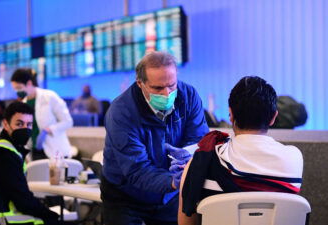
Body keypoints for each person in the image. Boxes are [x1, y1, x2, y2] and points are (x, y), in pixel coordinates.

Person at [101, 51, 209, 225]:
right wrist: (173, 181)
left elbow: (199, 140)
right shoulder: (121, 112)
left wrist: (187, 158)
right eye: (158, 88)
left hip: (170, 196)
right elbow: (137, 170)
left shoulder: (188, 96)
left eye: (172, 85)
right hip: (125, 196)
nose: (167, 94)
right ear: (140, 83)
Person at [178, 76, 304, 225]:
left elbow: (186, 222)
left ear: (230, 114)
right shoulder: (293, 157)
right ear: (273, 117)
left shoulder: (202, 160)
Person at [0, 101, 66, 225]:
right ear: (6, 124)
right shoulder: (5, 154)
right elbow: (23, 201)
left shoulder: (0, 147)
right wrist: (50, 214)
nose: (25, 129)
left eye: (29, 124)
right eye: (19, 124)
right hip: (5, 220)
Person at [11, 68, 73, 160]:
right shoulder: (23, 104)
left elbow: (68, 122)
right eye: (15, 89)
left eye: (19, 88)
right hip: (35, 153)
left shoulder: (49, 97)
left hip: (54, 151)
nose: (17, 92)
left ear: (29, 83)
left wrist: (48, 130)